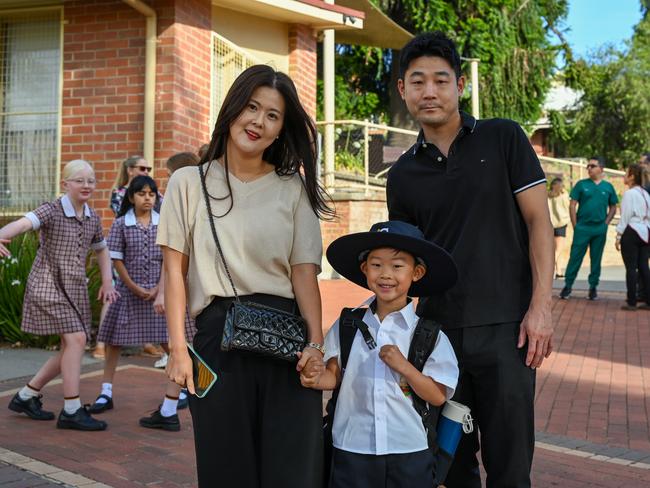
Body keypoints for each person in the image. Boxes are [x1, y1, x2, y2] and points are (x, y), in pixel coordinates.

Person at [386, 32, 554, 487]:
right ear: (403, 90)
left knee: (510, 468)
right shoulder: (402, 175)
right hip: (438, 339)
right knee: (451, 466)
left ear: (460, 85)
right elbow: (403, 264)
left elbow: (540, 222)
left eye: (441, 80)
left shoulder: (503, 139)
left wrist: (541, 308)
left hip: (507, 332)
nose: (429, 91)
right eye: (417, 81)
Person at [158, 64, 332, 487]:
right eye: (252, 107)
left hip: (285, 343)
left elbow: (304, 275)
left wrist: (315, 344)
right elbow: (174, 271)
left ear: (279, 131)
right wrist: (178, 349)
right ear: (233, 110)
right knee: (226, 468)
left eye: (272, 115)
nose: (258, 121)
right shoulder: (188, 182)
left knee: (293, 469)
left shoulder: (293, 188)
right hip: (217, 343)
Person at [301, 221, 459, 488]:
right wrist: (314, 377)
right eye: (376, 265)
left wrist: (405, 368)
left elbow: (437, 395)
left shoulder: (428, 335)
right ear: (365, 269)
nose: (386, 274)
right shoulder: (348, 324)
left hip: (408, 449)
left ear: (416, 272)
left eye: (397, 266)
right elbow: (333, 376)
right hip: (352, 447)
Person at [2, 159, 118, 431]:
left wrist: (107, 281)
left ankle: (26, 396)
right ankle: (72, 409)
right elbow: (22, 224)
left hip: (74, 288)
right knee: (77, 339)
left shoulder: (92, 216)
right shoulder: (52, 210)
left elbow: (102, 250)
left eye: (91, 180)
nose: (86, 185)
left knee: (71, 346)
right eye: (79, 180)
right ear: (65, 184)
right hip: (47, 285)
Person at [95, 155, 162, 360]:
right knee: (115, 294)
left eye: (148, 168)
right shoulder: (119, 193)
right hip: (126, 248)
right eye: (142, 168)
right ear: (130, 169)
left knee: (147, 297)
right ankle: (101, 343)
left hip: (148, 245)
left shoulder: (151, 192)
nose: (146, 172)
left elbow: (159, 209)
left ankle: (148, 341)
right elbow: (122, 213)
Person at [560, 157, 618, 300]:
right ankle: (568, 286)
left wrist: (606, 223)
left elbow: (613, 207)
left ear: (601, 169)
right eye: (588, 166)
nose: (589, 168)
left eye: (593, 166)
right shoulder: (581, 185)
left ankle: (593, 288)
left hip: (600, 229)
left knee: (596, 259)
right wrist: (575, 225)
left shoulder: (608, 187)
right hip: (582, 228)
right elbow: (572, 205)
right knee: (575, 258)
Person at [615, 164, 650, 310]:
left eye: (626, 174)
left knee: (631, 268)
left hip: (632, 231)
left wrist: (619, 235)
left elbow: (625, 216)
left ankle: (632, 301)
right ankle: (648, 299)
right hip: (646, 231)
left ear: (631, 177)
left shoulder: (629, 194)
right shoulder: (645, 194)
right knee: (643, 267)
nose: (624, 176)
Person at [548, 177, 571, 278]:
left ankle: (559, 271)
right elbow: (569, 206)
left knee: (555, 249)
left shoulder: (547, 196)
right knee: (559, 250)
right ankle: (551, 269)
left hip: (551, 224)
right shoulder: (564, 196)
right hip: (561, 224)